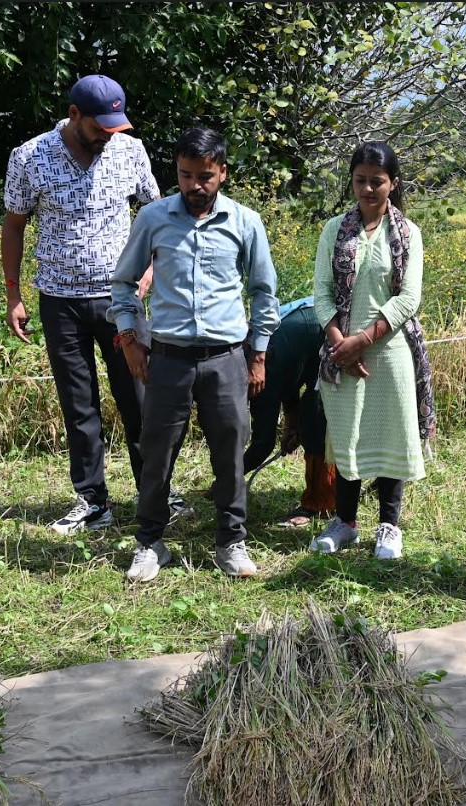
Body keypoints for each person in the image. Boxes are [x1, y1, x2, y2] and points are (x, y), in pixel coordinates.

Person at [2, 74, 188, 536]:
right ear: (74, 115)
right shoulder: (30, 157)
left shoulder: (129, 150)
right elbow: (14, 225)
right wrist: (13, 294)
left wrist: (149, 274)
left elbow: (159, 214)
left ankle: (156, 489)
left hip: (121, 300)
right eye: (99, 127)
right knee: (78, 404)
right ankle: (92, 500)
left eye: (115, 126)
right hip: (60, 300)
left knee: (140, 398)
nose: (108, 135)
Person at [110, 127, 279, 582]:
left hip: (226, 357)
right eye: (185, 175)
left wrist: (258, 353)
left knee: (230, 451)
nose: (194, 186)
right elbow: (124, 283)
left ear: (222, 172)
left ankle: (231, 541)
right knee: (156, 450)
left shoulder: (245, 222)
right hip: (167, 357)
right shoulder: (154, 218)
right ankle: (149, 543)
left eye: (204, 176)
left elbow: (264, 292)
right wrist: (130, 338)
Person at [311, 141, 434, 561]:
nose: (367, 189)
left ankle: (389, 526)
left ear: (392, 184)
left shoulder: (408, 234)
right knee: (347, 434)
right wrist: (338, 344)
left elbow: (408, 299)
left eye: (376, 182)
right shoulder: (334, 230)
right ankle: (344, 522)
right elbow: (321, 294)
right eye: (360, 180)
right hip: (339, 350)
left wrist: (361, 340)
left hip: (390, 350)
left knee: (391, 435)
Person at [244, 296, 337, 528]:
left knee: (316, 415)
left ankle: (319, 503)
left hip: (333, 334)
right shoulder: (253, 357)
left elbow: (263, 445)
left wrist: (227, 479)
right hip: (308, 337)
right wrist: (292, 424)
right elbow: (291, 377)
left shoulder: (258, 372)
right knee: (308, 411)